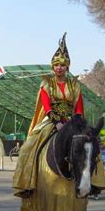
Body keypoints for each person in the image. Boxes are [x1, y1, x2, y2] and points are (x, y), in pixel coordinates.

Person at [13, 33, 88, 197]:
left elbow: (79, 107)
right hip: (50, 120)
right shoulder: (46, 82)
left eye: (62, 65)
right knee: (28, 146)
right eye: (56, 65)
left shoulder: (74, 84)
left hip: (71, 121)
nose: (59, 68)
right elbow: (46, 106)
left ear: (67, 66)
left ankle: (93, 183)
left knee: (89, 144)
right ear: (52, 67)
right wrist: (56, 122)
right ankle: (27, 183)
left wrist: (76, 123)